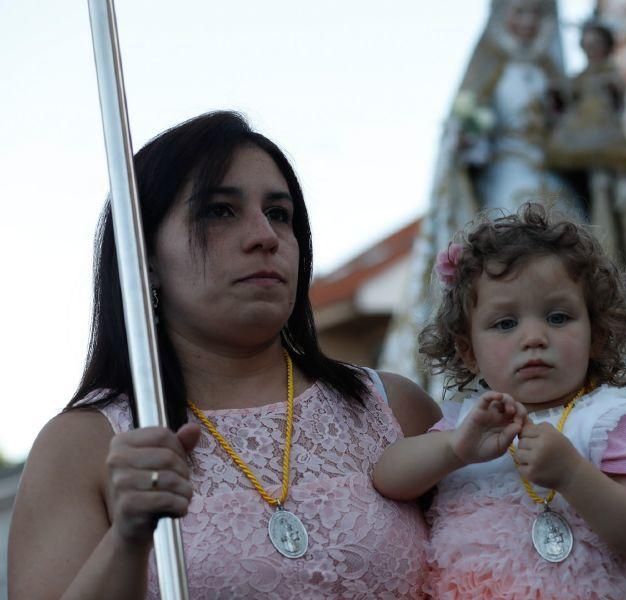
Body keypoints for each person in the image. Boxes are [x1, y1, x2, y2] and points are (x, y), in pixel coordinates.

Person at [8, 111, 440, 599]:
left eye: (280, 213)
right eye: (219, 211)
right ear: (144, 258)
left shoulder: (393, 408)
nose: (265, 236)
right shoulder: (84, 444)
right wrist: (128, 538)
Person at [374, 203, 626, 599]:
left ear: (597, 335)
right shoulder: (466, 427)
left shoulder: (613, 422)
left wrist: (573, 475)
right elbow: (386, 478)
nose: (534, 337)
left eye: (557, 317)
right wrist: (455, 447)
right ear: (468, 351)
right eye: (506, 323)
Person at [378, 0, 581, 393]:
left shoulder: (556, 77)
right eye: (519, 13)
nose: (527, 23)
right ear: (503, 18)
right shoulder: (488, 71)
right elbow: (462, 136)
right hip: (504, 180)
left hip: (555, 183)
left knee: (570, 262)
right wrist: (469, 141)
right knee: (503, 262)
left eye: (535, 15)